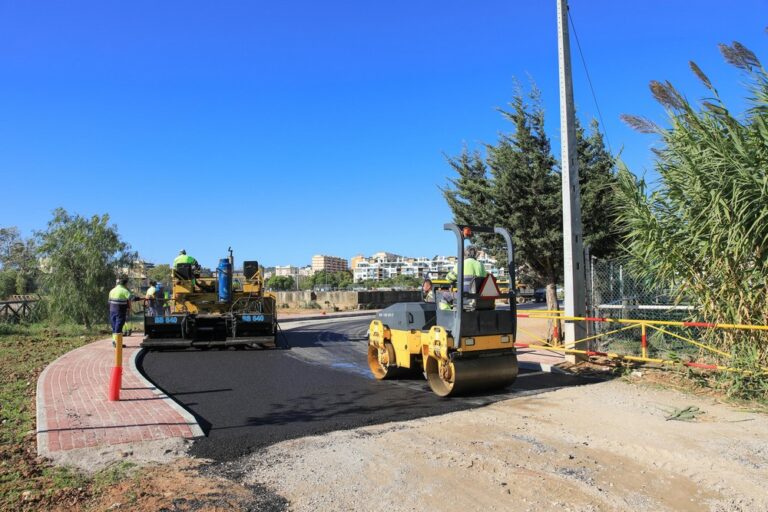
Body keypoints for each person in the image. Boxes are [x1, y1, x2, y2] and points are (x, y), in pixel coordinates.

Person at [443, 245, 488, 310]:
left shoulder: (461, 264)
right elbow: (485, 277)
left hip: (464, 296)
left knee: (445, 296)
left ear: (465, 253)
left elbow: (449, 279)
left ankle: (448, 316)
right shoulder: (480, 265)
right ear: (476, 254)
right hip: (478, 297)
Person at [108, 277, 133, 347]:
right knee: (118, 327)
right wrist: (140, 298)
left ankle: (114, 341)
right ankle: (117, 343)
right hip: (120, 311)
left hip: (112, 311)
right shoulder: (124, 290)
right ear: (125, 284)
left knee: (114, 326)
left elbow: (109, 302)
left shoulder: (112, 291)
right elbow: (132, 298)